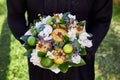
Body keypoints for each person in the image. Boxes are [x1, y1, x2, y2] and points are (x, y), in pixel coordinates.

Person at [6, 0, 112, 80]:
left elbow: (102, 19)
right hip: (41, 63)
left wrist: (86, 49)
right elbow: (15, 16)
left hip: (79, 63)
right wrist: (33, 47)